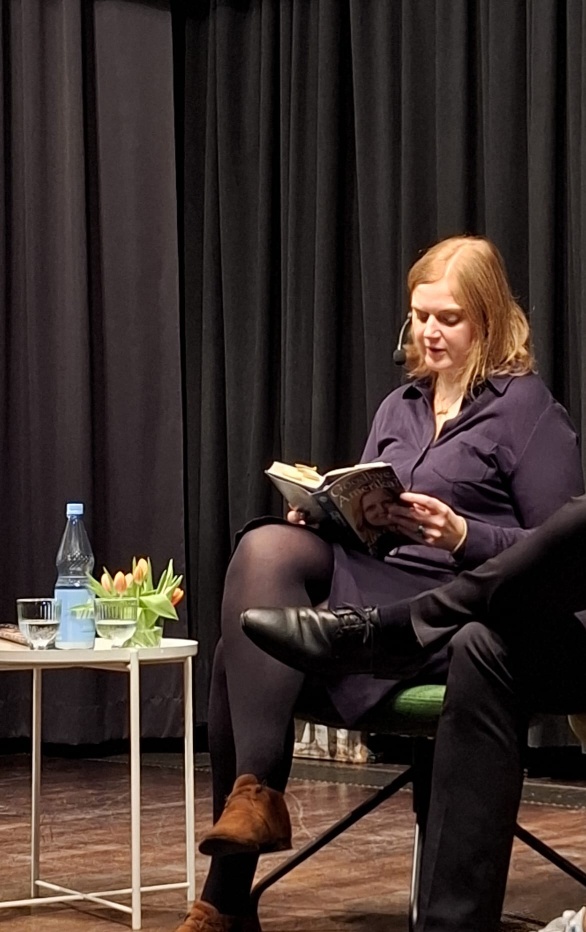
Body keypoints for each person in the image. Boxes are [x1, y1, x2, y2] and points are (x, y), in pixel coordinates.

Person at [176, 235, 584, 932]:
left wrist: (462, 534)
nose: (429, 332)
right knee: (264, 552)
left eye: (448, 318)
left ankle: (227, 896)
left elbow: (561, 557)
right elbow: (370, 516)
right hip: (378, 592)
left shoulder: (526, 409)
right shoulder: (400, 406)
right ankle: (255, 801)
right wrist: (330, 515)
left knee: (236, 653)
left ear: (488, 320)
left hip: (461, 612)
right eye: (420, 316)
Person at [242, 492, 586, 932]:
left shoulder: (527, 441)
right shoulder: (391, 438)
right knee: (480, 644)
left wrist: (465, 536)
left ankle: (403, 628)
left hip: (502, 604)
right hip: (475, 614)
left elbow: (552, 538)